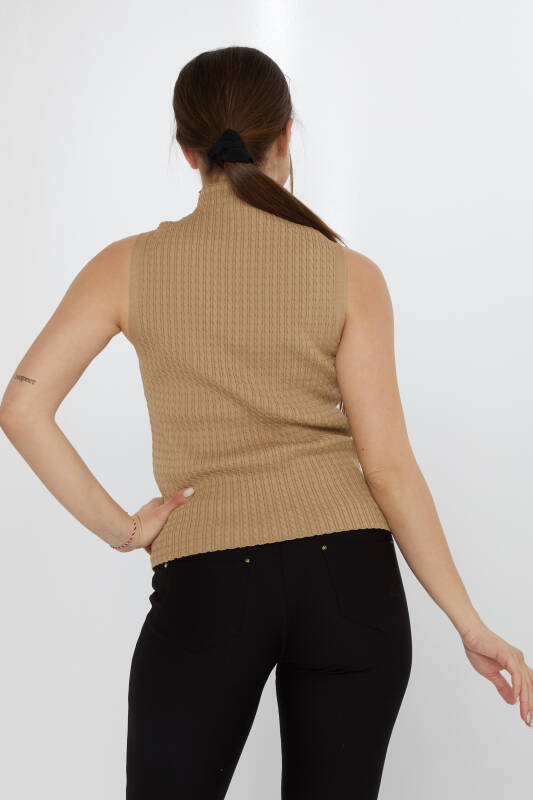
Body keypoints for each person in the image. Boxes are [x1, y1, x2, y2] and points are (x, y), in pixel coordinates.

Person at [1, 45, 531, 800]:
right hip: (351, 581)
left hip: (209, 580)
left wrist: (125, 529)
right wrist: (468, 622)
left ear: (188, 150)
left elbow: (22, 408)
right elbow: (387, 468)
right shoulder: (349, 273)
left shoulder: (125, 267)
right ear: (285, 135)